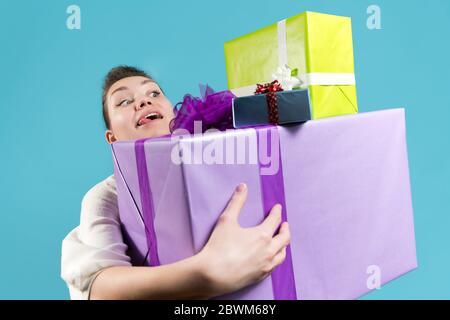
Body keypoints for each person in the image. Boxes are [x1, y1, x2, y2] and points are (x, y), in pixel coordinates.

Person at [60, 65, 291, 300]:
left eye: (153, 94)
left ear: (173, 112)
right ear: (112, 138)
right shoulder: (108, 195)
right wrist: (208, 274)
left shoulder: (216, 155)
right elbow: (100, 290)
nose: (143, 102)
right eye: (124, 101)